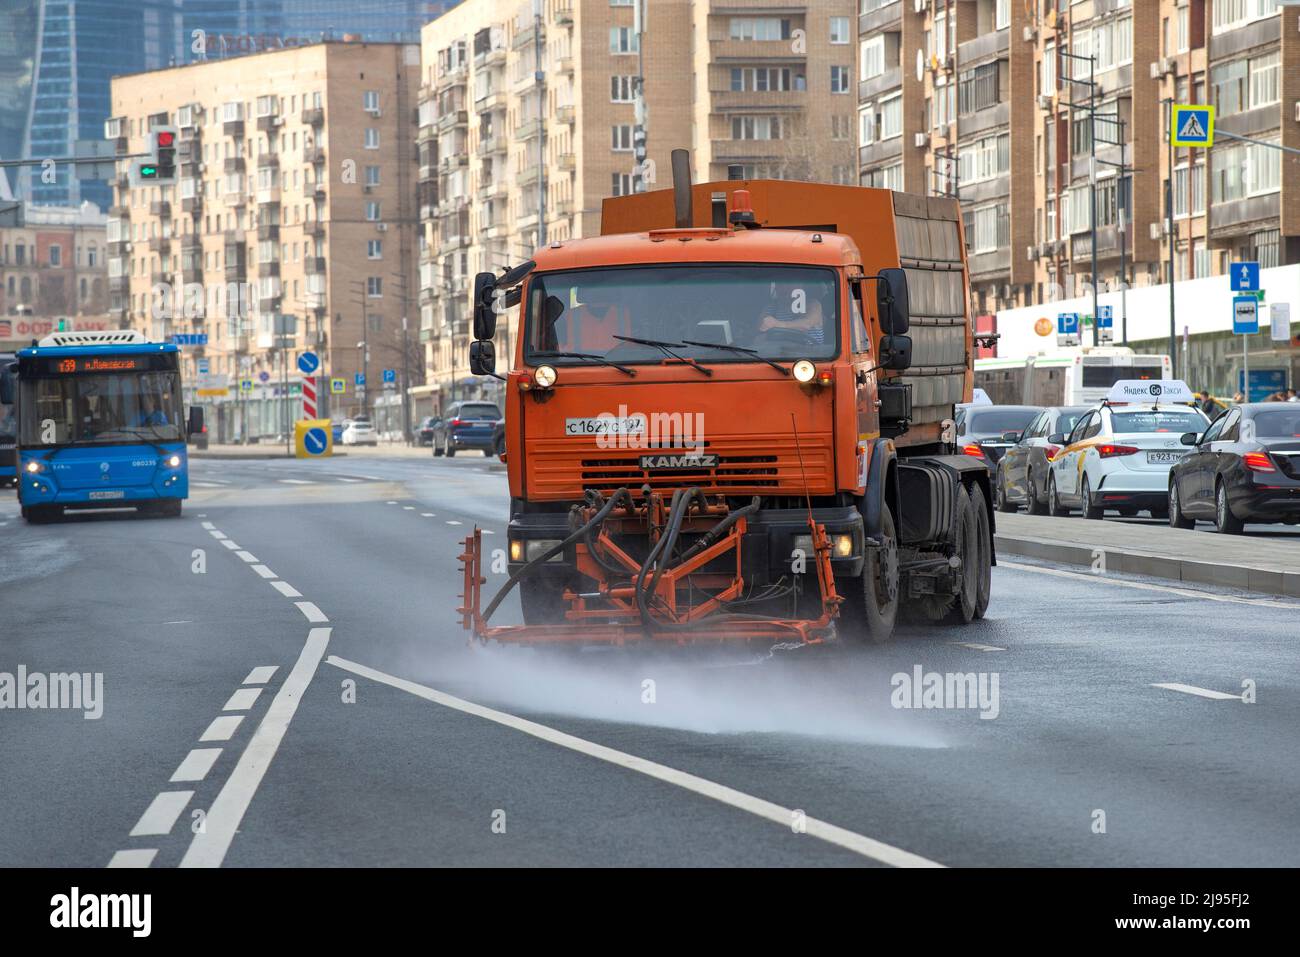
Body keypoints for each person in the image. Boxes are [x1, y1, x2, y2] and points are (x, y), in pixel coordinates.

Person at [758, 281, 828, 345]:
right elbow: (760, 329)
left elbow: (806, 324)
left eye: (789, 284)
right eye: (780, 284)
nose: (784, 288)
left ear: (800, 287)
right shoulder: (771, 307)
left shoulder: (813, 304)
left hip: (813, 356)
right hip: (778, 354)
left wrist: (777, 324)